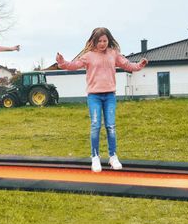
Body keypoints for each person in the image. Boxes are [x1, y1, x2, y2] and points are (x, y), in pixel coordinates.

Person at [56, 27, 148, 172]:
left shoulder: (113, 54)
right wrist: (62, 62)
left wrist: (139, 66)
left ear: (109, 40)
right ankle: (95, 157)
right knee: (95, 125)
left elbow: (127, 65)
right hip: (94, 96)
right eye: (99, 41)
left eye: (105, 40)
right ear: (94, 41)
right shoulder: (88, 56)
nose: (102, 44)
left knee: (111, 126)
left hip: (110, 95)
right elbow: (73, 65)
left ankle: (113, 156)